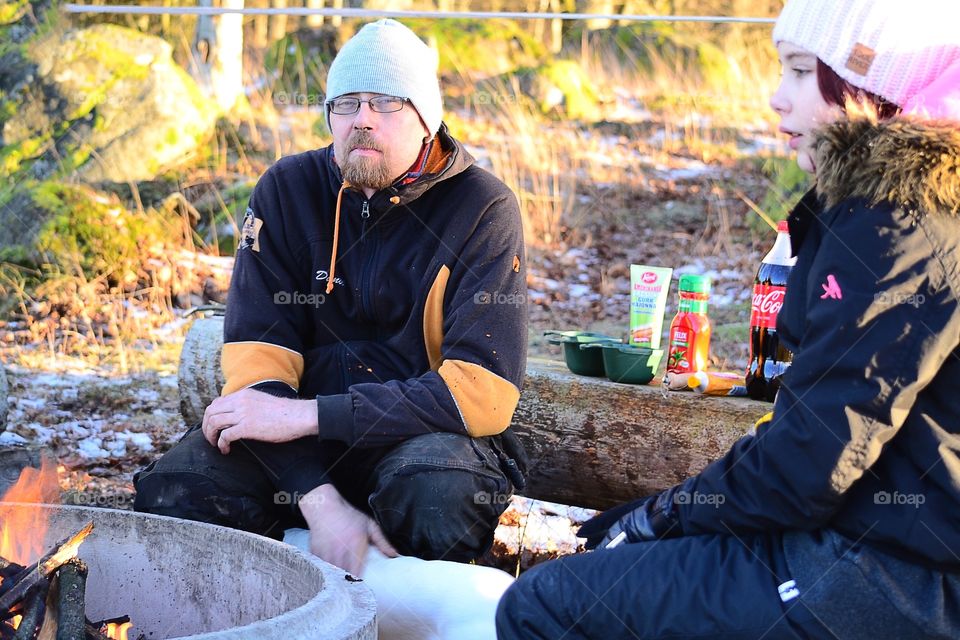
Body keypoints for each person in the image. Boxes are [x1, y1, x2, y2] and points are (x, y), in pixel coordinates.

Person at [496, 0, 960, 638]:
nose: (776, 97)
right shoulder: (915, 210)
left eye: (800, 71)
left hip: (888, 575)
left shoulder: (899, 225)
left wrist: (660, 517)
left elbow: (810, 464)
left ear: (870, 87)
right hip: (883, 552)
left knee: (542, 606)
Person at [134, 19, 529, 577]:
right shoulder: (287, 190)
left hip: (421, 440)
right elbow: (256, 369)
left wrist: (310, 416)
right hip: (295, 448)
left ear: (426, 118)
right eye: (347, 103)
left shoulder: (481, 208)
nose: (362, 119)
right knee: (180, 494)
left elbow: (482, 392)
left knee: (436, 500)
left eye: (387, 103)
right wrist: (318, 502)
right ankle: (277, 606)